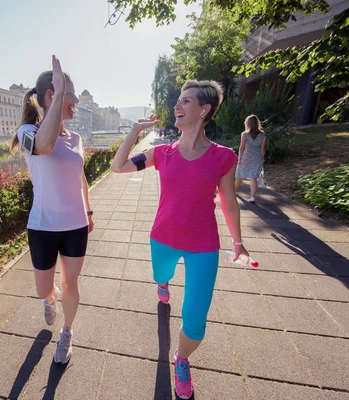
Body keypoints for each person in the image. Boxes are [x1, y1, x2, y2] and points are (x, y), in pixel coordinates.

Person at [110, 80, 250, 399]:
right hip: (163, 237)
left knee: (195, 318)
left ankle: (182, 359)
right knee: (162, 276)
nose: (178, 105)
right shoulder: (162, 154)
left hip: (204, 246)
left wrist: (238, 242)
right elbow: (117, 167)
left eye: (185, 101)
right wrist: (134, 130)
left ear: (204, 110)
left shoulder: (223, 157)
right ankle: (163, 283)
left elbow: (229, 201)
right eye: (178, 100)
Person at [10, 55, 94, 365]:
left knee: (71, 284)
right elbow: (45, 147)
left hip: (74, 226)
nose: (75, 101)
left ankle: (67, 334)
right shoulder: (28, 133)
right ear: (52, 95)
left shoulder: (76, 139)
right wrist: (60, 95)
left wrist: (88, 212)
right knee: (43, 289)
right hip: (43, 227)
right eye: (70, 94)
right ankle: (49, 301)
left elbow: (80, 176)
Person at [235, 115, 267, 203]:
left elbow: (242, 147)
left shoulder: (245, 134)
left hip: (246, 157)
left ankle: (234, 192)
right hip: (257, 157)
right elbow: (262, 149)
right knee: (253, 177)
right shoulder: (262, 135)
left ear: (248, 123)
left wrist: (239, 158)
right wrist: (262, 159)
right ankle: (252, 197)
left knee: (239, 175)